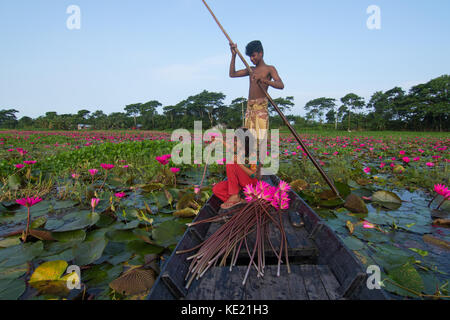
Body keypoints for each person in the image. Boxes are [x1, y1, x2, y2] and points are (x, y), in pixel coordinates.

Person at [229, 40, 284, 177]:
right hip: (250, 109)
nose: (252, 59)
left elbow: (280, 84)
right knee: (247, 141)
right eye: (250, 57)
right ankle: (249, 172)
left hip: (261, 109)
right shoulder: (250, 69)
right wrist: (234, 55)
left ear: (261, 53)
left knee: (260, 141)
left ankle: (258, 175)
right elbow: (232, 74)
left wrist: (264, 80)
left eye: (254, 56)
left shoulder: (269, 69)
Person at [212, 128, 259, 211]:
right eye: (235, 140)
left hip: (250, 184)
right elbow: (229, 148)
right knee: (217, 189)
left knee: (231, 162)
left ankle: (234, 195)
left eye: (237, 140)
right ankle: (240, 201)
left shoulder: (252, 154)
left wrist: (239, 163)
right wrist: (220, 140)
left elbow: (253, 175)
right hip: (239, 185)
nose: (235, 142)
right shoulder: (238, 149)